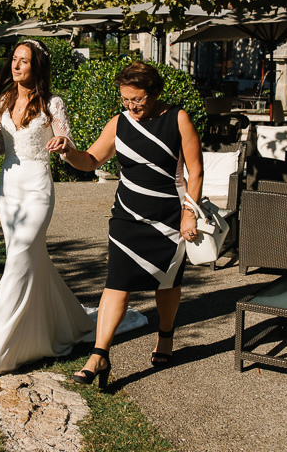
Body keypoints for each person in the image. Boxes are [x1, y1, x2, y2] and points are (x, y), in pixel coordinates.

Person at [51, 60, 204, 388]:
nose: (132, 106)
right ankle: (99, 354)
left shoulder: (178, 119)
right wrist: (68, 151)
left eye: (138, 99)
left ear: (155, 92)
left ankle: (165, 337)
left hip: (168, 219)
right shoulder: (119, 123)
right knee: (116, 282)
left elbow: (196, 170)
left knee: (167, 283)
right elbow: (90, 160)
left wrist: (189, 212)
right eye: (126, 100)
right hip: (126, 217)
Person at [0, 39, 95, 377]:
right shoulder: (1, 102)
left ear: (36, 66)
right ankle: (49, 332)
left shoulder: (53, 103)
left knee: (22, 253)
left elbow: (69, 143)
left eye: (24, 61)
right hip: (8, 187)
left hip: (38, 185)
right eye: (14, 59)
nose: (17, 65)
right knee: (25, 260)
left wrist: (63, 144)